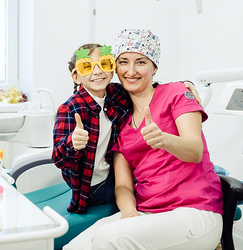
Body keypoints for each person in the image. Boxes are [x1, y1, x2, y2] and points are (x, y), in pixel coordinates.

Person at [63, 29, 224, 250]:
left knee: (109, 238)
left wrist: (164, 140)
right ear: (115, 69)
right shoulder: (120, 120)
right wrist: (130, 214)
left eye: (140, 62)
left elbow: (195, 150)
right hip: (147, 213)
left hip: (195, 211)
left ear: (154, 67)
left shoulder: (176, 93)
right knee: (75, 247)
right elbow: (122, 185)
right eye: (123, 62)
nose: (131, 71)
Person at [52, 43, 200, 214]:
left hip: (113, 173)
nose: (98, 71)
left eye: (104, 64)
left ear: (112, 68)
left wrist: (184, 84)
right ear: (76, 77)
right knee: (147, 184)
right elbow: (58, 159)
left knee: (155, 168)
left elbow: (144, 86)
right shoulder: (69, 109)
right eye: (87, 67)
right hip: (93, 188)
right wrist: (73, 143)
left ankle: (214, 176)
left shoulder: (115, 93)